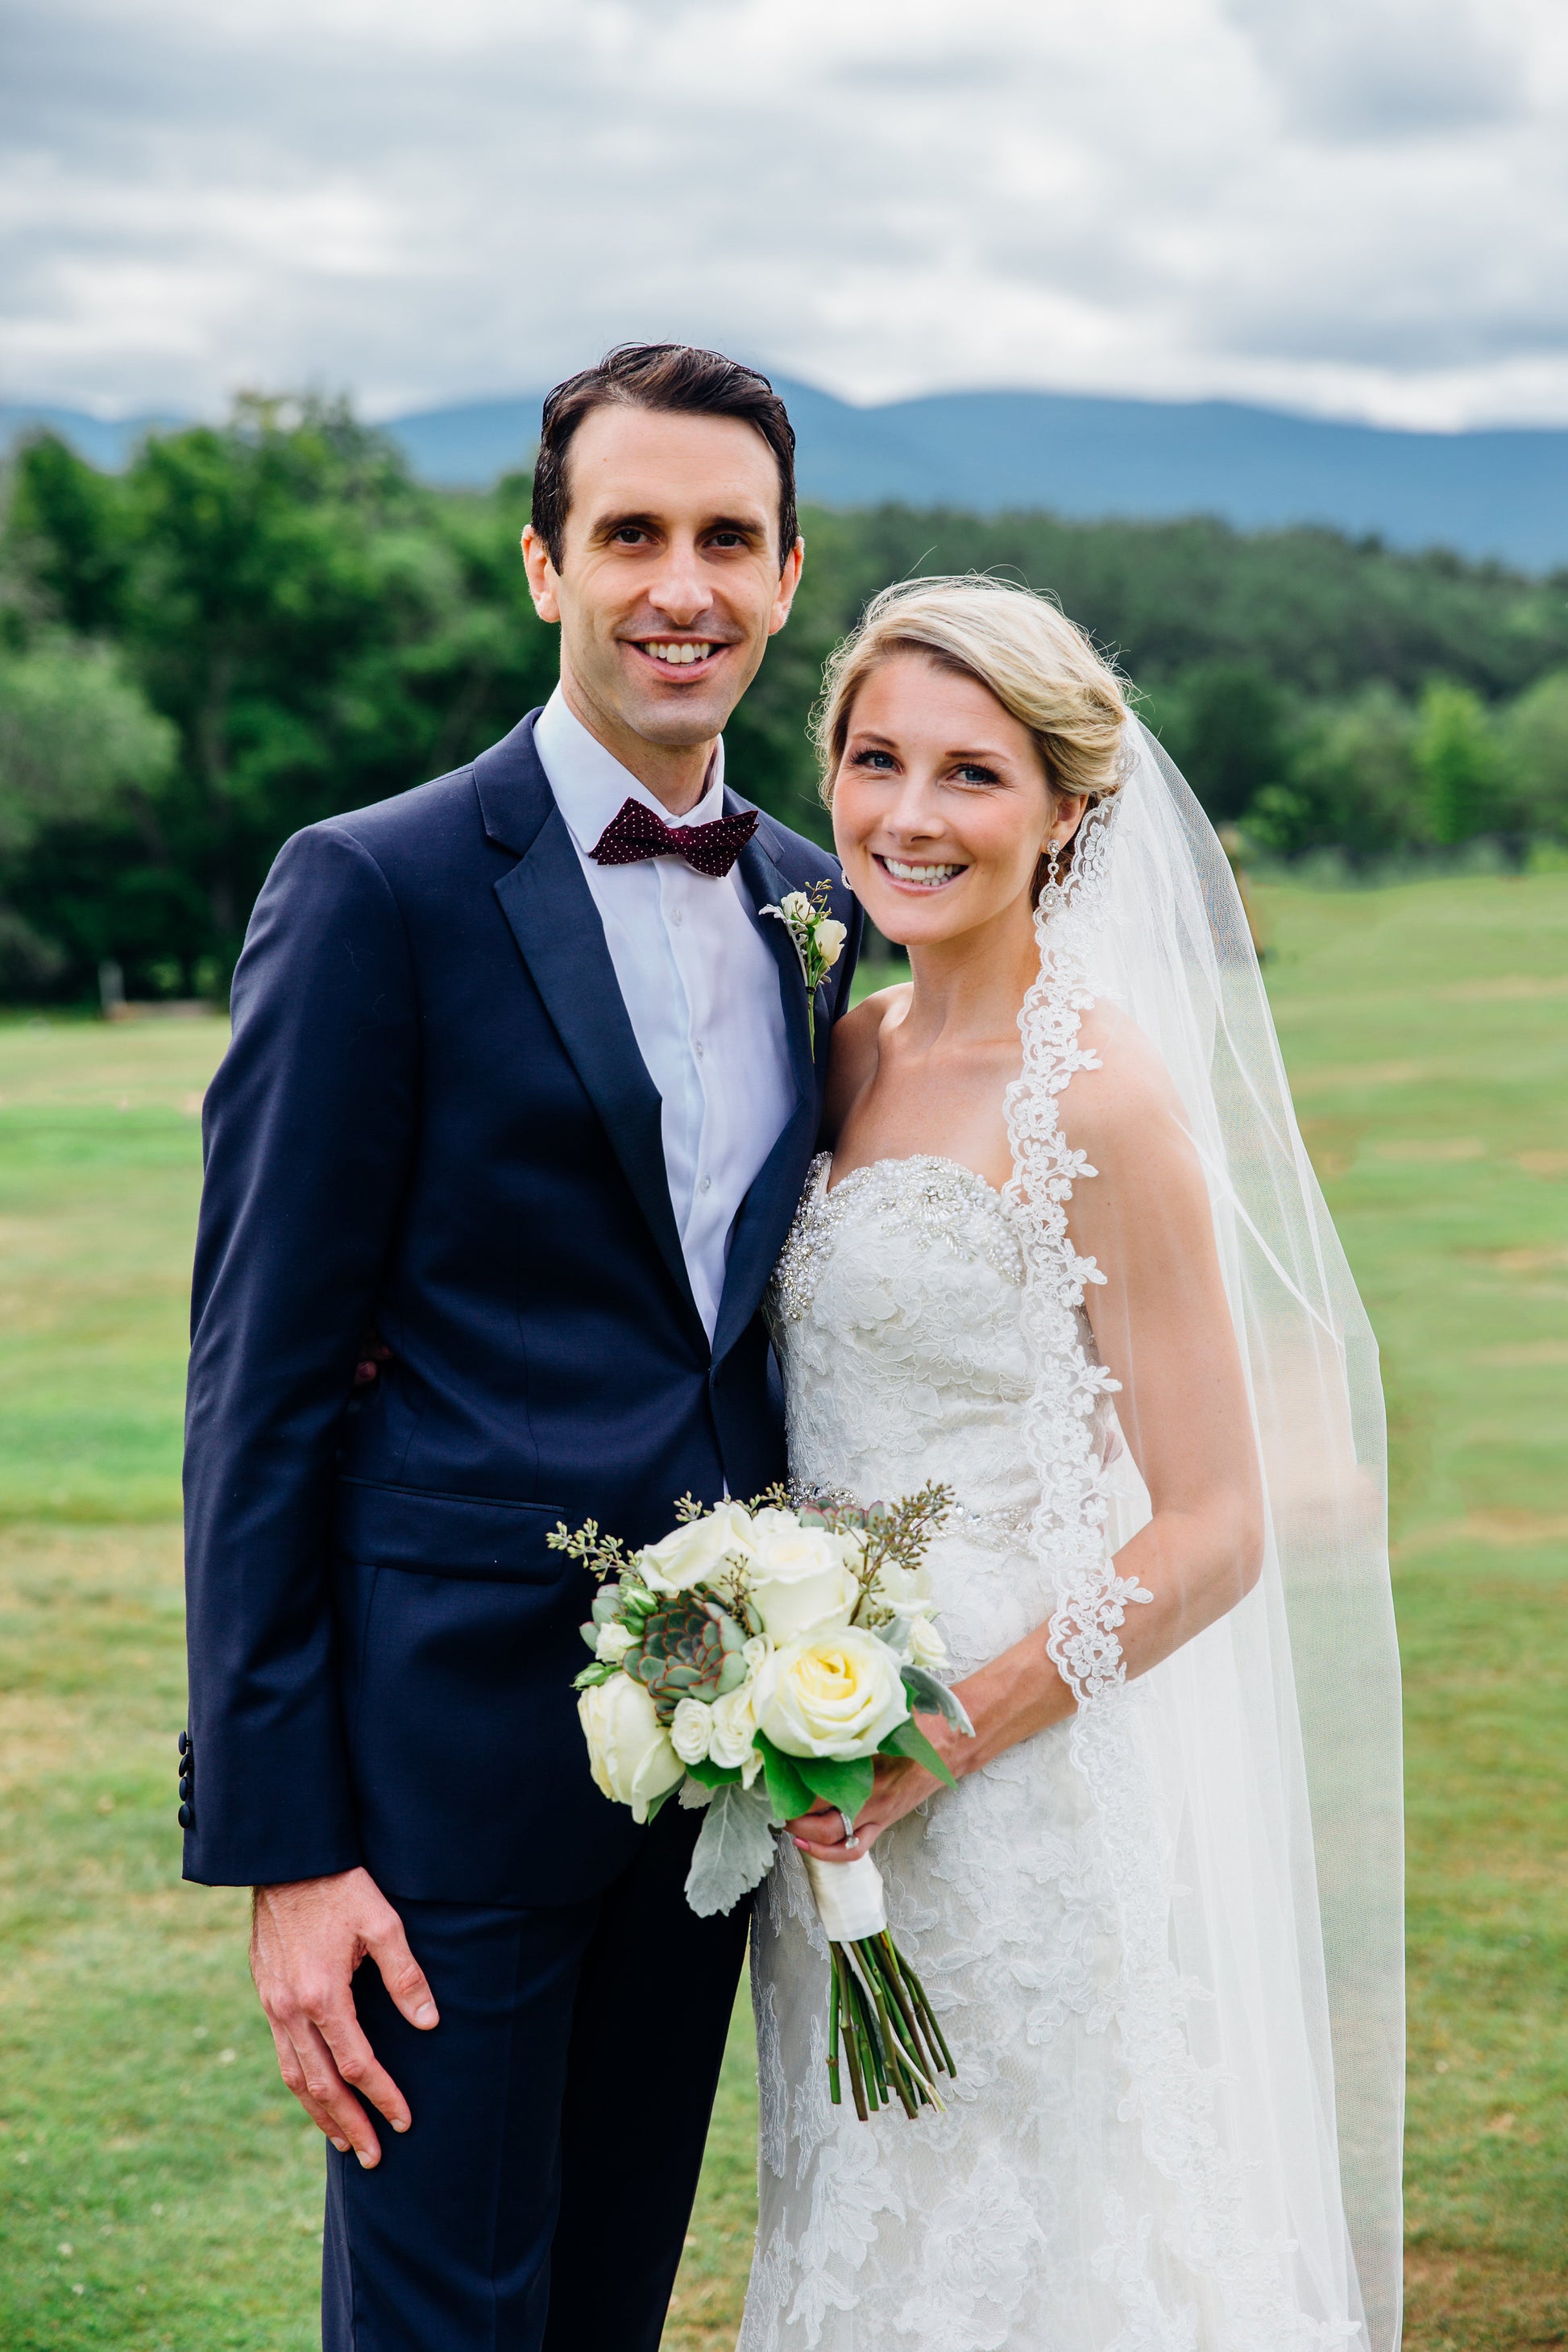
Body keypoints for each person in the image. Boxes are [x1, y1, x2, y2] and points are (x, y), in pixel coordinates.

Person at [179, 343, 861, 2352]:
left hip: (707, 1767)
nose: (683, 584)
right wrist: (285, 1851)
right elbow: (262, 1389)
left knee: (610, 2306)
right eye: (630, 532)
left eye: (725, 539)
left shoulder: (817, 907)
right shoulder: (371, 885)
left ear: (788, 575)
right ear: (543, 567)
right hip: (437, 1780)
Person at [744, 579, 1404, 2351]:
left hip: (1008, 1775)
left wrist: (934, 1733)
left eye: (970, 774)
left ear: (1064, 814)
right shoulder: (839, 1052)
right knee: (863, 2205)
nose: (905, 814)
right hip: (818, 1756)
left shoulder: (1099, 1100)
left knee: (1054, 2235)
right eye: (874, 759)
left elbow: (1214, 1524)